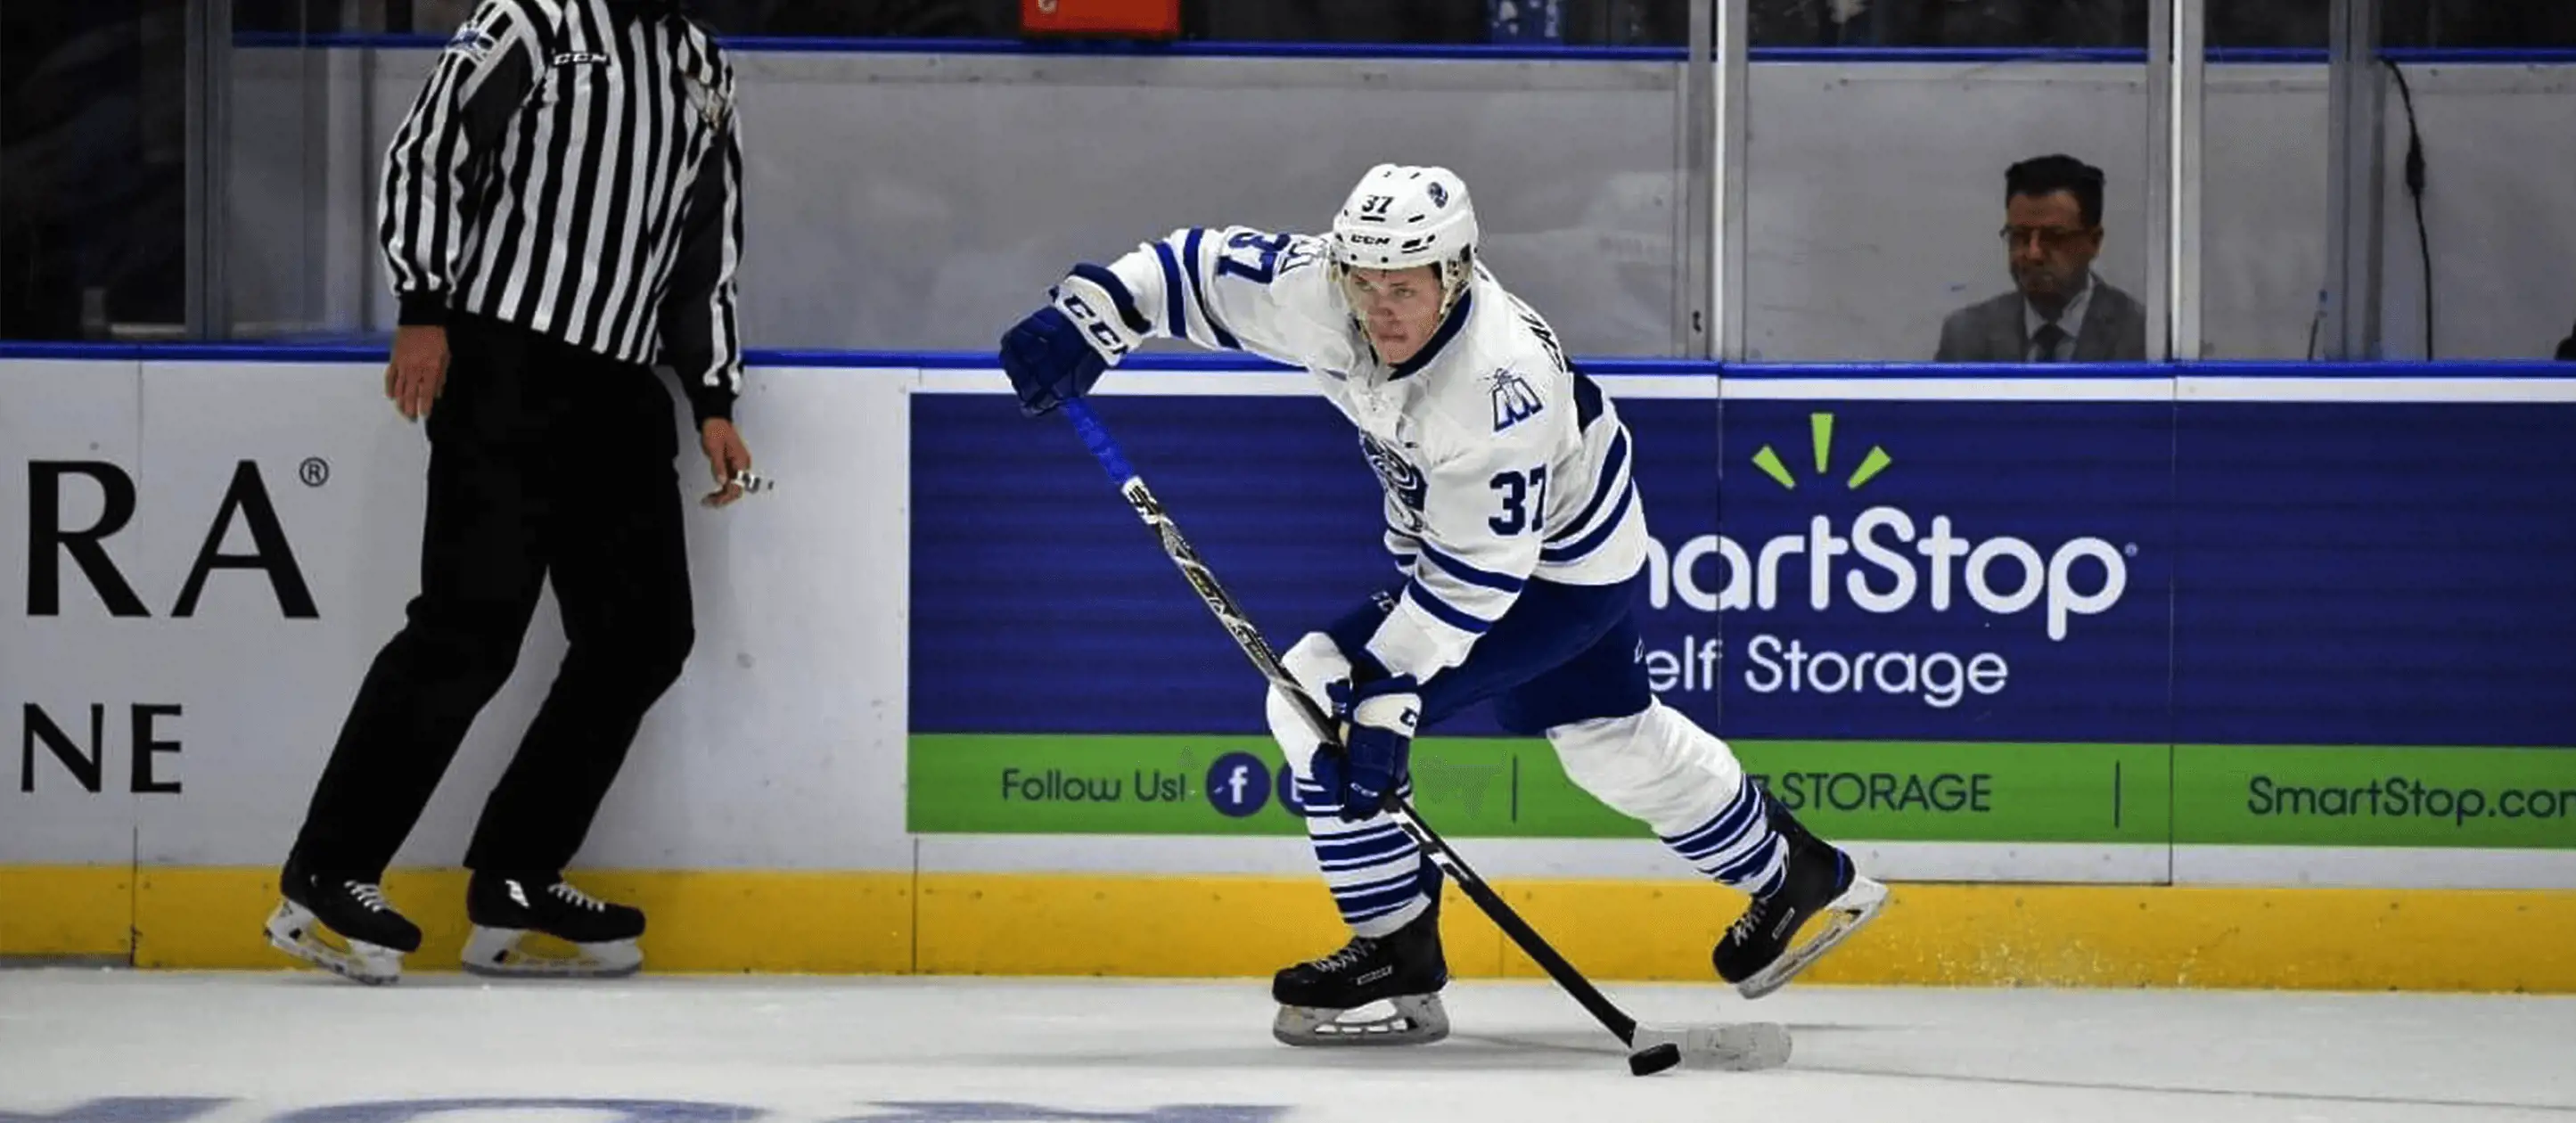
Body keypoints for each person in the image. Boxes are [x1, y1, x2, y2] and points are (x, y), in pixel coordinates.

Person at [997, 164, 1888, 1045]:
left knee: (1316, 695)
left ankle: (1397, 947)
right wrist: (1089, 318)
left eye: (1405, 288)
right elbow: (1188, 269)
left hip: (1556, 573)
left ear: (1454, 275)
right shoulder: (1326, 288)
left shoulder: (1496, 387)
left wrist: (1387, 697)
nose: (1379, 309)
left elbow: (1480, 581)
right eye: (1363, 283)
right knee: (1605, 740)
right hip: (1558, 544)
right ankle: (1795, 869)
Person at [264, 0, 755, 986]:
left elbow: (709, 243)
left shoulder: (704, 65)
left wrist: (710, 393)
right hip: (504, 361)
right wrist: (423, 307)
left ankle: (516, 878)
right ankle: (329, 870)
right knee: (468, 627)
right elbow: (429, 151)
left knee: (643, 634)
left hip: (619, 384)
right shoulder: (531, 22)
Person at [1936, 153, 2146, 363]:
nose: (2033, 253)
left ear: (2094, 242)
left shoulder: (2140, 334)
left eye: (2053, 237)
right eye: (2020, 236)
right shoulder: (1966, 335)